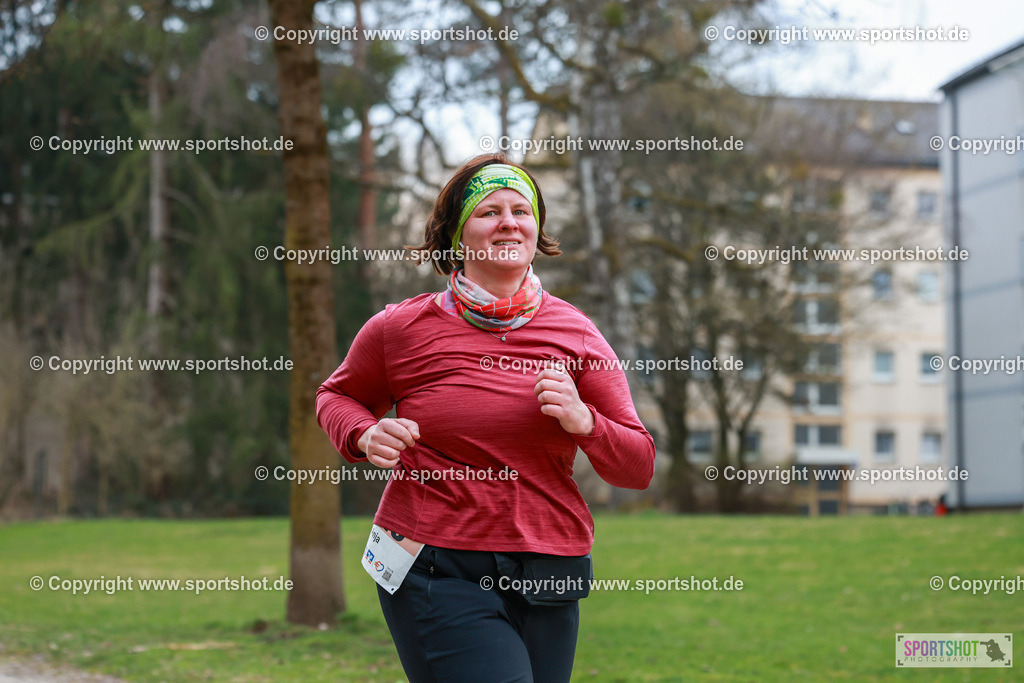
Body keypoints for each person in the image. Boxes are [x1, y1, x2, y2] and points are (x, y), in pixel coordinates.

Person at [316, 153, 655, 683]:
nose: (508, 222)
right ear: (456, 234)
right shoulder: (399, 329)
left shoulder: (577, 333)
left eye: (521, 210)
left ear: (537, 229)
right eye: (488, 211)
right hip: (438, 566)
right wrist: (365, 433)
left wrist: (585, 420)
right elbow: (336, 398)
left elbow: (637, 467)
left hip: (550, 568)